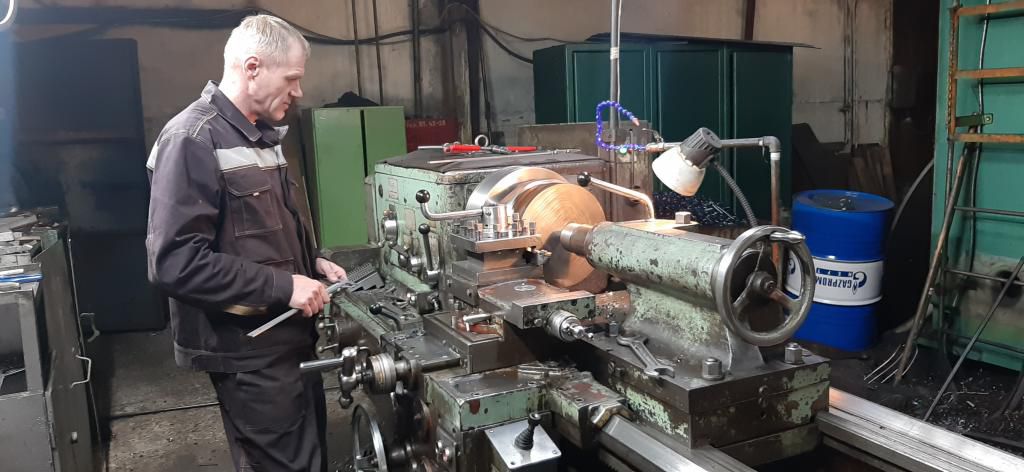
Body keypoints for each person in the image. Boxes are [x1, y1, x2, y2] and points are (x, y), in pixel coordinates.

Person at [145, 14, 345, 472]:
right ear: (253, 67)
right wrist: (284, 286)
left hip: (287, 341)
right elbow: (174, 262)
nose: (298, 91)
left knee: (308, 457)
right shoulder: (192, 139)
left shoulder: (259, 134)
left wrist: (312, 262)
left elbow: (259, 228)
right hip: (248, 352)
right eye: (291, 78)